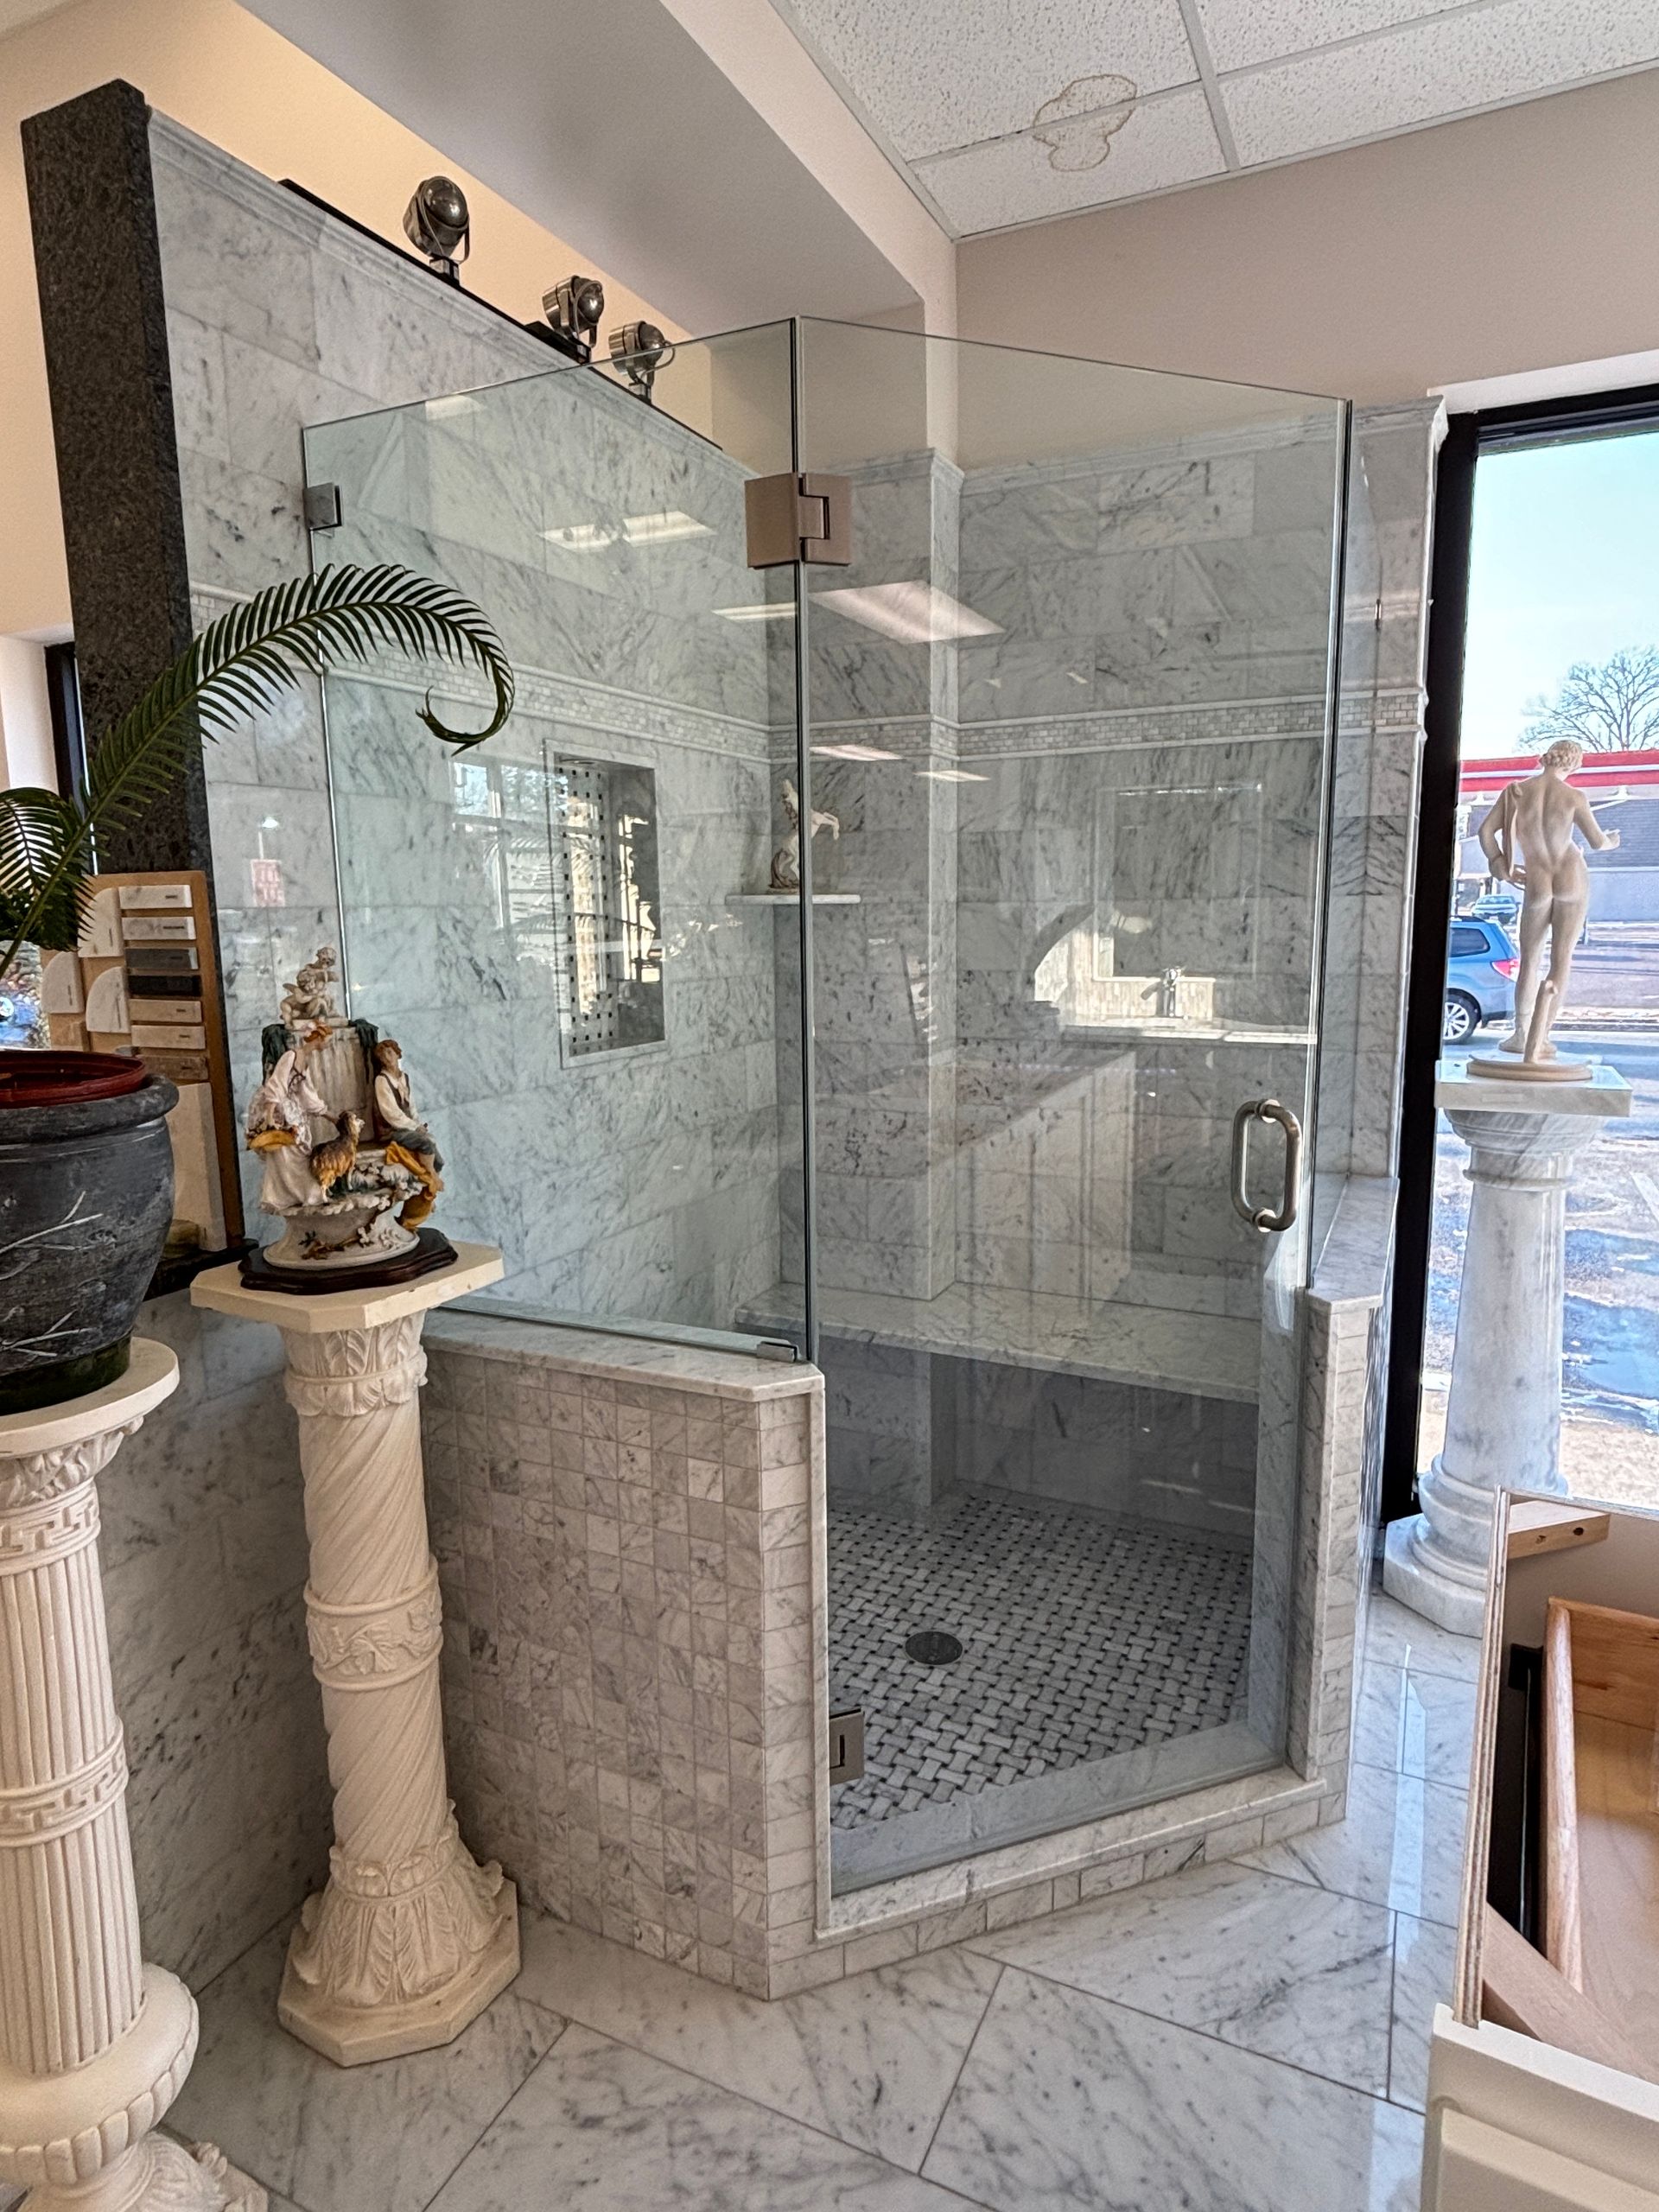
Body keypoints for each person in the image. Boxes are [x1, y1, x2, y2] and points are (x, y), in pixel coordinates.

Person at [1477, 738, 1619, 1062]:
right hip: (1571, 875)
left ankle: (1521, 1033)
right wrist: (1612, 840)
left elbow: (1487, 833)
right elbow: (1597, 842)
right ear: (1572, 764)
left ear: (1547, 758)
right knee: (1561, 960)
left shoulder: (1516, 791)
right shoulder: (1574, 796)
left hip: (1536, 880)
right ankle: (1542, 1038)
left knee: (1529, 960)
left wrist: (1500, 864)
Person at [245, 1022, 331, 1214]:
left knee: (299, 1152)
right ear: (318, 1038)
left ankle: (305, 1193)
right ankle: (284, 1196)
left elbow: (306, 1094)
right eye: (327, 1041)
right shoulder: (290, 1056)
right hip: (278, 1108)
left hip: (291, 1107)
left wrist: (328, 1115)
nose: (328, 1045)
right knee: (285, 1150)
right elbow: (276, 1083)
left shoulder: (305, 1061)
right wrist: (269, 1116)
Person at [371, 1039, 444, 1226]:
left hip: (407, 1126)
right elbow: (391, 1113)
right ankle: (432, 1179)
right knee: (425, 1144)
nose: (387, 1058)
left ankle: (427, 1195)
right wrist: (412, 1127)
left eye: (390, 1053)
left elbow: (411, 1107)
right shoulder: (382, 1080)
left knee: (436, 1153)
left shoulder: (404, 1078)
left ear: (397, 1053)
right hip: (391, 1130)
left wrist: (418, 1125)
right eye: (383, 1055)